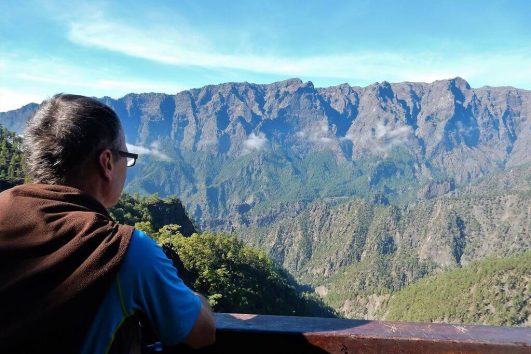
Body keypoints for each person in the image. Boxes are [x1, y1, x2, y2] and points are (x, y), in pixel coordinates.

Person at [0, 94, 215, 354]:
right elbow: (202, 333)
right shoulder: (124, 250)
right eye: (125, 155)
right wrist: (195, 297)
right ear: (106, 163)